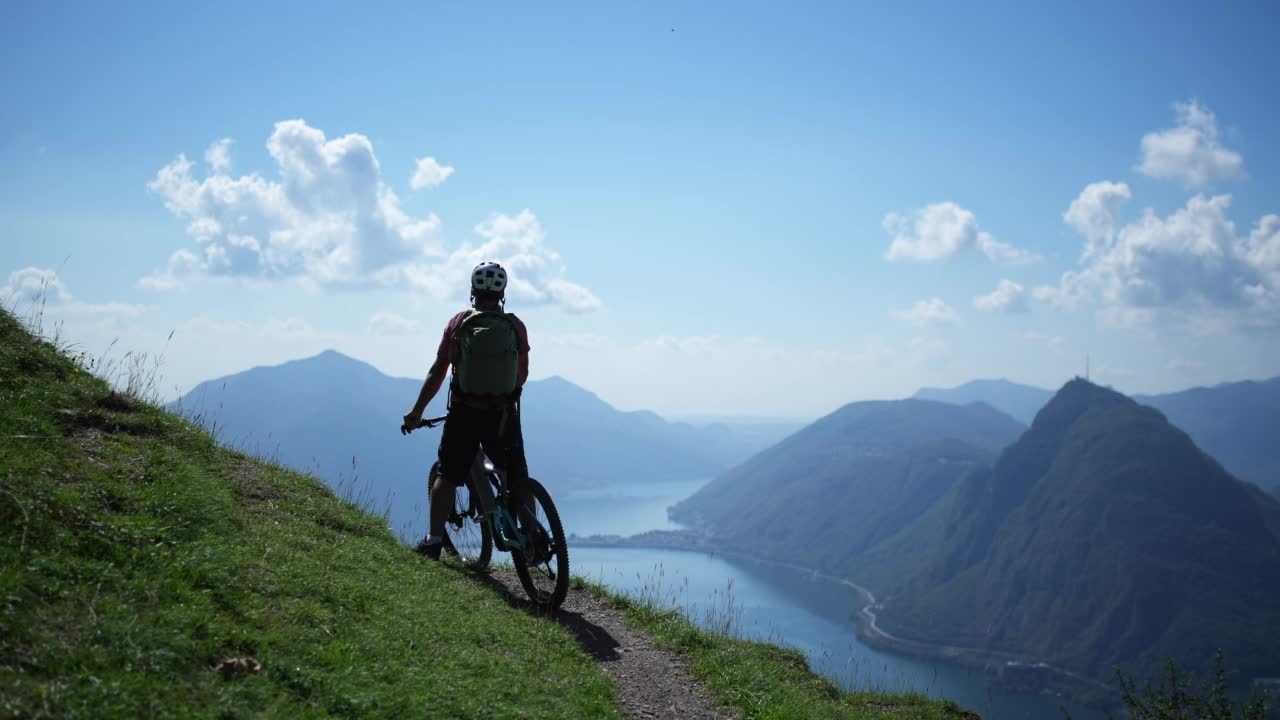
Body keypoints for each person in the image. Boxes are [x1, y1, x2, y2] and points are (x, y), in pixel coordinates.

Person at [400, 261, 531, 560]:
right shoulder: (515, 326)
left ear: (472, 291)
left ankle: (433, 542)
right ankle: (531, 538)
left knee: (446, 476)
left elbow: (438, 372)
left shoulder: (458, 323)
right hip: (503, 414)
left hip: (465, 413)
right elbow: (522, 372)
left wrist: (416, 412)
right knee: (517, 476)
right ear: (502, 294)